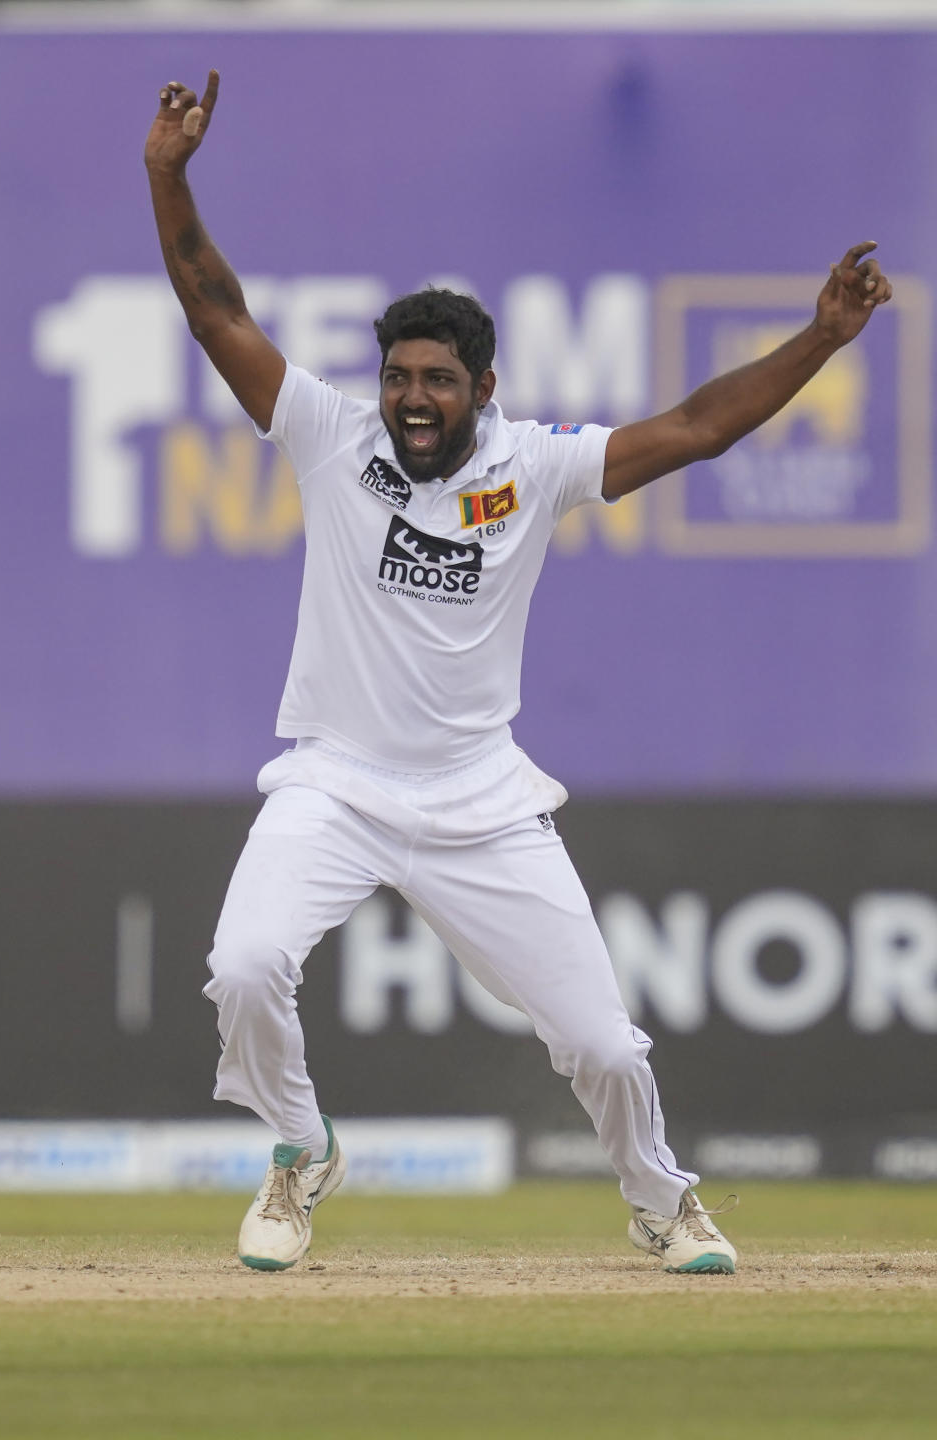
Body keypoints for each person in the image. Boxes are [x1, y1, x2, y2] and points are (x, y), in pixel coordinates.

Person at [145, 71, 892, 1276]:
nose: (413, 401)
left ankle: (664, 1200)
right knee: (243, 965)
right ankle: (298, 1150)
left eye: (438, 381)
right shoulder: (332, 437)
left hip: (480, 800)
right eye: (399, 378)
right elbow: (214, 307)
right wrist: (167, 172)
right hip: (334, 784)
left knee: (603, 1045)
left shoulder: (537, 466)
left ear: (483, 390)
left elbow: (699, 428)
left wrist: (821, 337)